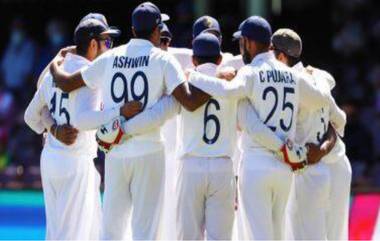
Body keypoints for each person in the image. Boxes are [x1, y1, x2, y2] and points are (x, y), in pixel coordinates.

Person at [48, 2, 210, 239]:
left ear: (133, 31)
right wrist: (214, 82)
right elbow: (189, 102)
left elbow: (66, 83)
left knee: (112, 229)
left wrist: (54, 64)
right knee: (146, 230)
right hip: (149, 150)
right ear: (157, 30)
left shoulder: (111, 56)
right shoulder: (164, 60)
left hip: (116, 151)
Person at [187, 16, 343, 239]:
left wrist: (194, 76)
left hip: (256, 164)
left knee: (258, 235)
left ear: (248, 42)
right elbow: (321, 99)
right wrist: (319, 83)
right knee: (278, 234)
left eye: (242, 42)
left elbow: (228, 91)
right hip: (284, 169)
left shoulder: (250, 72)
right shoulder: (292, 74)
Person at [24, 16, 121, 239]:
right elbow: (85, 118)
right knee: (74, 234)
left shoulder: (55, 71)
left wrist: (54, 129)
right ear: (93, 45)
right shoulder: (92, 75)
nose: (109, 48)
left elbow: (31, 116)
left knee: (58, 230)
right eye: (107, 42)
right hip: (76, 160)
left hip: (50, 158)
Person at [270, 28, 348, 240]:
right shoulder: (318, 75)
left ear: (282, 56)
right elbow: (340, 120)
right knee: (335, 236)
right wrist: (324, 149)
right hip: (336, 164)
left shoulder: (291, 82)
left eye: (271, 51)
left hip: (311, 168)